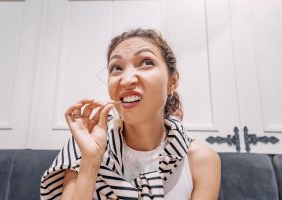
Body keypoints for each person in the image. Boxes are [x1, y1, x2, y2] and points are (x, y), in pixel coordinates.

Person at [40, 28, 221, 200]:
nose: (126, 80)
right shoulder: (84, 146)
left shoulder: (201, 160)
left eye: (146, 62)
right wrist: (90, 161)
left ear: (172, 82)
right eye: (116, 68)